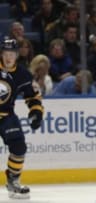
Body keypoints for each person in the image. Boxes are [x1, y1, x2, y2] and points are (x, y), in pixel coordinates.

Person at [0, 38, 44, 199]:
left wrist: (36, 112)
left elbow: (33, 96)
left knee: (19, 147)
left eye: (11, 53)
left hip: (6, 116)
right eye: (5, 53)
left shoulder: (23, 74)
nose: (8, 57)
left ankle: (13, 181)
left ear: (17, 55)